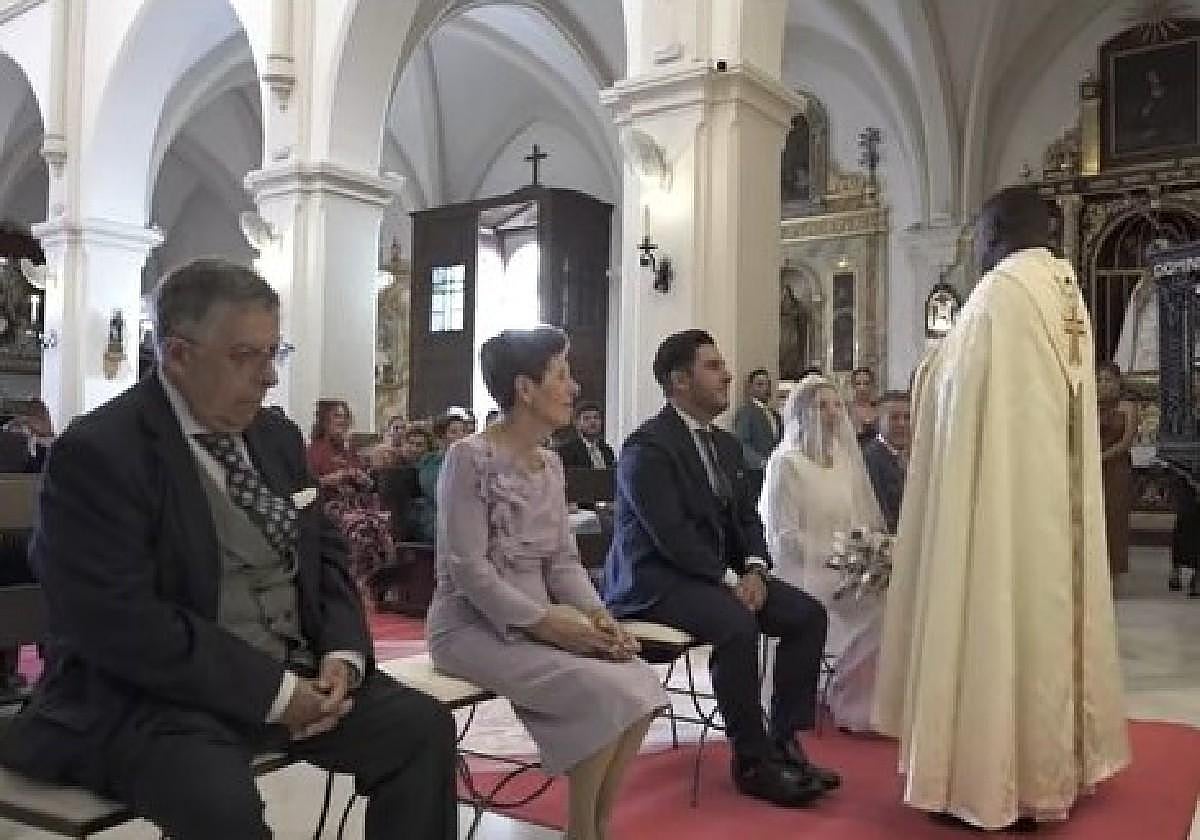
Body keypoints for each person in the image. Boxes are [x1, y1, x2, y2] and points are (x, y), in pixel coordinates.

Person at [0, 259, 457, 839]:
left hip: (293, 674)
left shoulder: (275, 437)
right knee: (218, 804)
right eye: (246, 356)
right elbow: (119, 622)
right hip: (150, 700)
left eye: (274, 353)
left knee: (419, 731)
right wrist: (273, 693)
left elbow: (325, 559)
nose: (268, 377)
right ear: (178, 354)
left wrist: (342, 653)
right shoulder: (100, 452)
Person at [873, 186, 1129, 830]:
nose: (978, 248)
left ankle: (989, 781)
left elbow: (950, 391)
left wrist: (929, 365)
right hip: (1048, 500)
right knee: (1039, 623)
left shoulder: (999, 295)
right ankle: (1050, 767)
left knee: (990, 618)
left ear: (999, 232)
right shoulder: (1066, 293)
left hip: (995, 505)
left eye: (982, 232)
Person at [427, 326, 665, 840]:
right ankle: (580, 829)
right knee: (602, 692)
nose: (574, 387)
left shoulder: (552, 465)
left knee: (642, 685)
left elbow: (561, 564)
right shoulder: (469, 458)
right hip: (470, 627)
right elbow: (469, 569)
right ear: (524, 389)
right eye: (562, 374)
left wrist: (600, 618)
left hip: (543, 620)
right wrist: (546, 624)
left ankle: (598, 823)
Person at [604, 329, 837, 808]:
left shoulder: (726, 447)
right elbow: (670, 537)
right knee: (736, 624)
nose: (728, 374)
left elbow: (747, 521)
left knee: (807, 614)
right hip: (655, 584)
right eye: (713, 366)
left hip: (716, 579)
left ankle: (784, 740)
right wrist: (732, 582)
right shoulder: (647, 447)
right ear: (679, 381)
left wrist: (754, 568)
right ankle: (753, 762)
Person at [758, 374, 886, 732]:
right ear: (802, 412)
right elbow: (783, 537)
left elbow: (861, 519)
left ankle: (854, 697)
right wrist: (833, 555)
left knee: (887, 607)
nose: (832, 414)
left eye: (835, 405)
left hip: (844, 568)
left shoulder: (845, 463)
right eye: (821, 406)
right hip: (801, 573)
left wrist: (866, 554)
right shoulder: (787, 464)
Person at [308, 400, 395, 599]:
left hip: (355, 504)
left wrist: (362, 478)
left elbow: (365, 481)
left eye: (344, 416)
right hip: (328, 505)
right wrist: (335, 478)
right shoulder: (313, 450)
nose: (341, 420)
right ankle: (352, 581)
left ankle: (371, 581)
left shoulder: (349, 451)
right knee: (360, 525)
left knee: (380, 523)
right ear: (324, 421)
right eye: (336, 416)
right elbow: (307, 485)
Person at [1097, 361, 1136, 578]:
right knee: (1096, 517)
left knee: (1115, 518)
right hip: (1092, 469)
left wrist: (1101, 457)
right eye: (1100, 380)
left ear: (1118, 382)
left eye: (1108, 379)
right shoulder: (1089, 405)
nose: (1104, 384)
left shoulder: (1127, 407)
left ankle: (1114, 570)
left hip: (1117, 468)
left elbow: (1126, 441)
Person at [861, 390, 910, 532]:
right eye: (894, 418)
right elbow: (879, 513)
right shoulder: (871, 459)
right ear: (878, 421)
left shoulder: (908, 455)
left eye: (907, 417)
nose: (902, 424)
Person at [733, 368, 782, 470]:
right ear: (750, 388)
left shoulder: (775, 415)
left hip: (777, 468)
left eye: (767, 384)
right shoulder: (746, 412)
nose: (765, 388)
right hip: (757, 472)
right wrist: (761, 462)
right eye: (760, 384)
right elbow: (741, 444)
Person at [557, 401, 615, 469]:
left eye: (596, 417)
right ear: (577, 424)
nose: (592, 421)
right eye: (587, 418)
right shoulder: (567, 451)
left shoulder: (607, 451)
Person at [848, 367, 878, 445]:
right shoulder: (846, 410)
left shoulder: (878, 409)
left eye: (866, 383)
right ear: (853, 386)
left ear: (872, 385)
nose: (862, 388)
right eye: (858, 383)